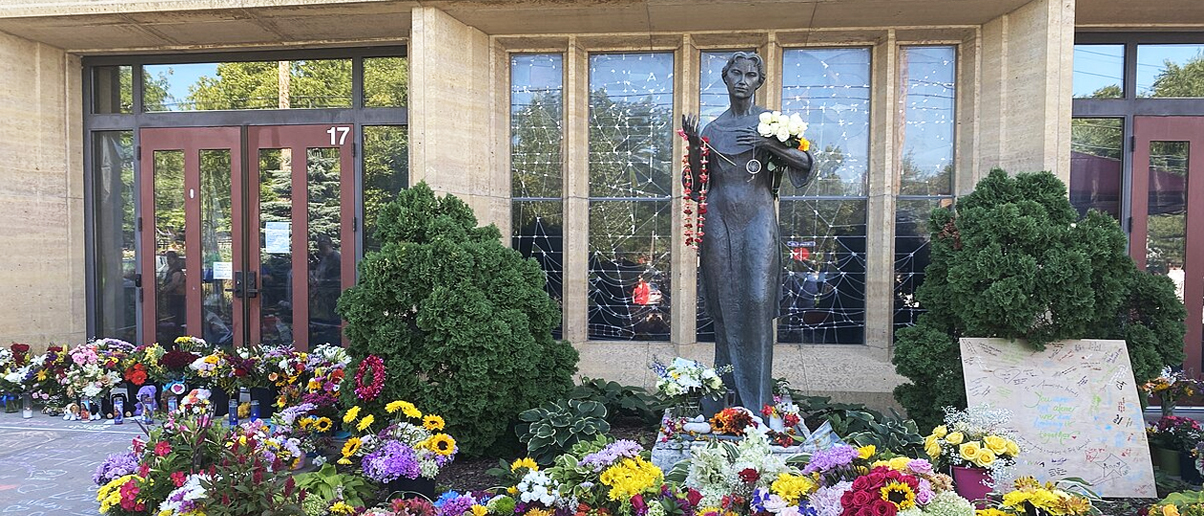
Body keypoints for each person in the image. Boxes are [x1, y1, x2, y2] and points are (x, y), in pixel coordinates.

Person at [681, 52, 814, 411]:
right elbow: (696, 187)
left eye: (750, 75)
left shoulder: (773, 123)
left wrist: (768, 143)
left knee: (756, 301)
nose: (742, 80)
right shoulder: (712, 129)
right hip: (719, 220)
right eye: (736, 74)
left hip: (758, 218)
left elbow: (805, 163)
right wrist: (695, 145)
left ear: (759, 81)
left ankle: (757, 402)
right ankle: (725, 400)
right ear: (725, 78)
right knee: (724, 303)